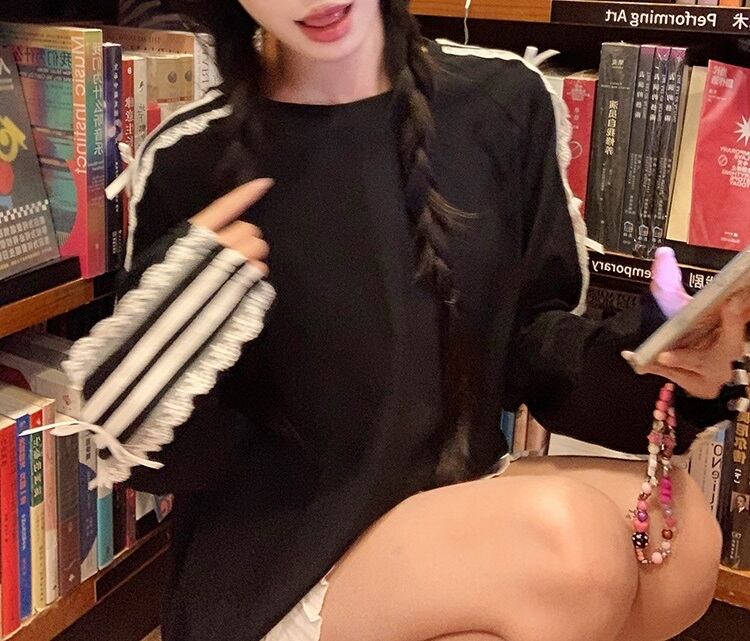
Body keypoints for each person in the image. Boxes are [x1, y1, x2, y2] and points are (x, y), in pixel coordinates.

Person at [82, 2, 750, 641]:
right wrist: (181, 313)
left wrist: (662, 359)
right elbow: (159, 464)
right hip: (283, 559)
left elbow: (532, 344)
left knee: (682, 539)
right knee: (571, 550)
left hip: (447, 503)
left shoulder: (501, 102)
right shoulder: (191, 156)